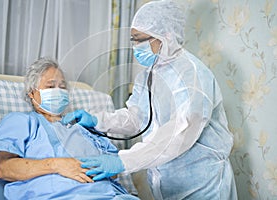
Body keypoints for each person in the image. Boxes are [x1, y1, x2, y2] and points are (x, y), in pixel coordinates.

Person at [62, 1, 238, 199]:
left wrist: (123, 161)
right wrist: (98, 121)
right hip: (166, 186)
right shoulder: (148, 75)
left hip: (202, 187)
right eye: (133, 40)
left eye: (140, 40)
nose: (135, 47)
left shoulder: (192, 75)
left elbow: (181, 131)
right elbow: (136, 118)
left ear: (166, 37)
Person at [0, 58, 139, 200]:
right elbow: (3, 167)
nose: (58, 91)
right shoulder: (22, 121)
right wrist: (57, 165)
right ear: (32, 93)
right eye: (51, 86)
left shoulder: (85, 127)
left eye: (63, 87)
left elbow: (115, 170)